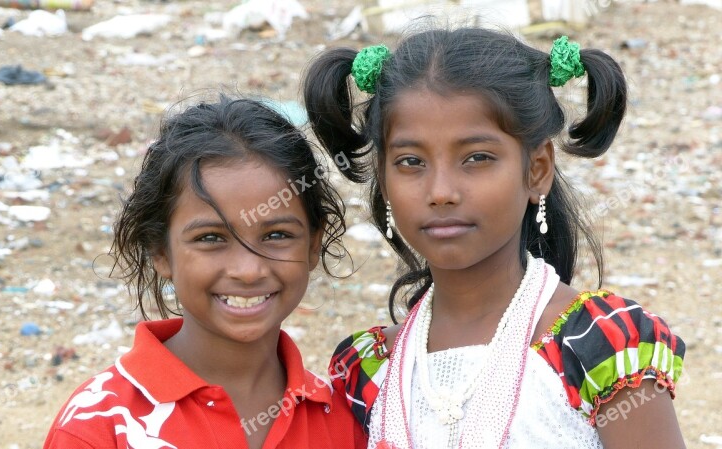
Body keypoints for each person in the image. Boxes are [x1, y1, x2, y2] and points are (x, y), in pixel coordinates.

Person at [303, 28, 686, 448]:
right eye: (411, 161)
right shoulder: (368, 370)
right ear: (383, 176)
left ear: (537, 169)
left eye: (477, 158)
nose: (441, 192)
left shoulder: (599, 346)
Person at [43, 95, 366, 448]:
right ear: (160, 251)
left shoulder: (342, 420)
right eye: (211, 238)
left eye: (276, 235)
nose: (247, 270)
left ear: (313, 245)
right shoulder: (99, 427)